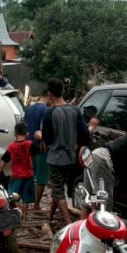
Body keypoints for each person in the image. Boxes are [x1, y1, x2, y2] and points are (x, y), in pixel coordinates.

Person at [42, 78, 90, 226]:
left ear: (50, 94)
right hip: (71, 158)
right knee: (58, 190)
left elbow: (47, 138)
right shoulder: (75, 111)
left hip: (56, 158)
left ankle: (70, 224)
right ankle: (50, 218)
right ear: (63, 91)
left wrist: (41, 137)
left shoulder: (50, 113)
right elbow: (84, 135)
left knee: (57, 190)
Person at [0, 122, 40, 219]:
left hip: (16, 177)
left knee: (11, 197)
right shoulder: (30, 144)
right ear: (27, 133)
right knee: (26, 198)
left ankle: (13, 214)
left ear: (15, 133)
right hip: (28, 175)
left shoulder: (11, 146)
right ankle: (24, 216)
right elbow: (41, 150)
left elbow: (4, 160)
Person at [24, 90, 49, 210]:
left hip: (29, 145)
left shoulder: (28, 109)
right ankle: (37, 204)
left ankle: (27, 203)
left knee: (31, 175)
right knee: (41, 178)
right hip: (40, 147)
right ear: (48, 96)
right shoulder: (46, 110)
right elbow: (42, 128)